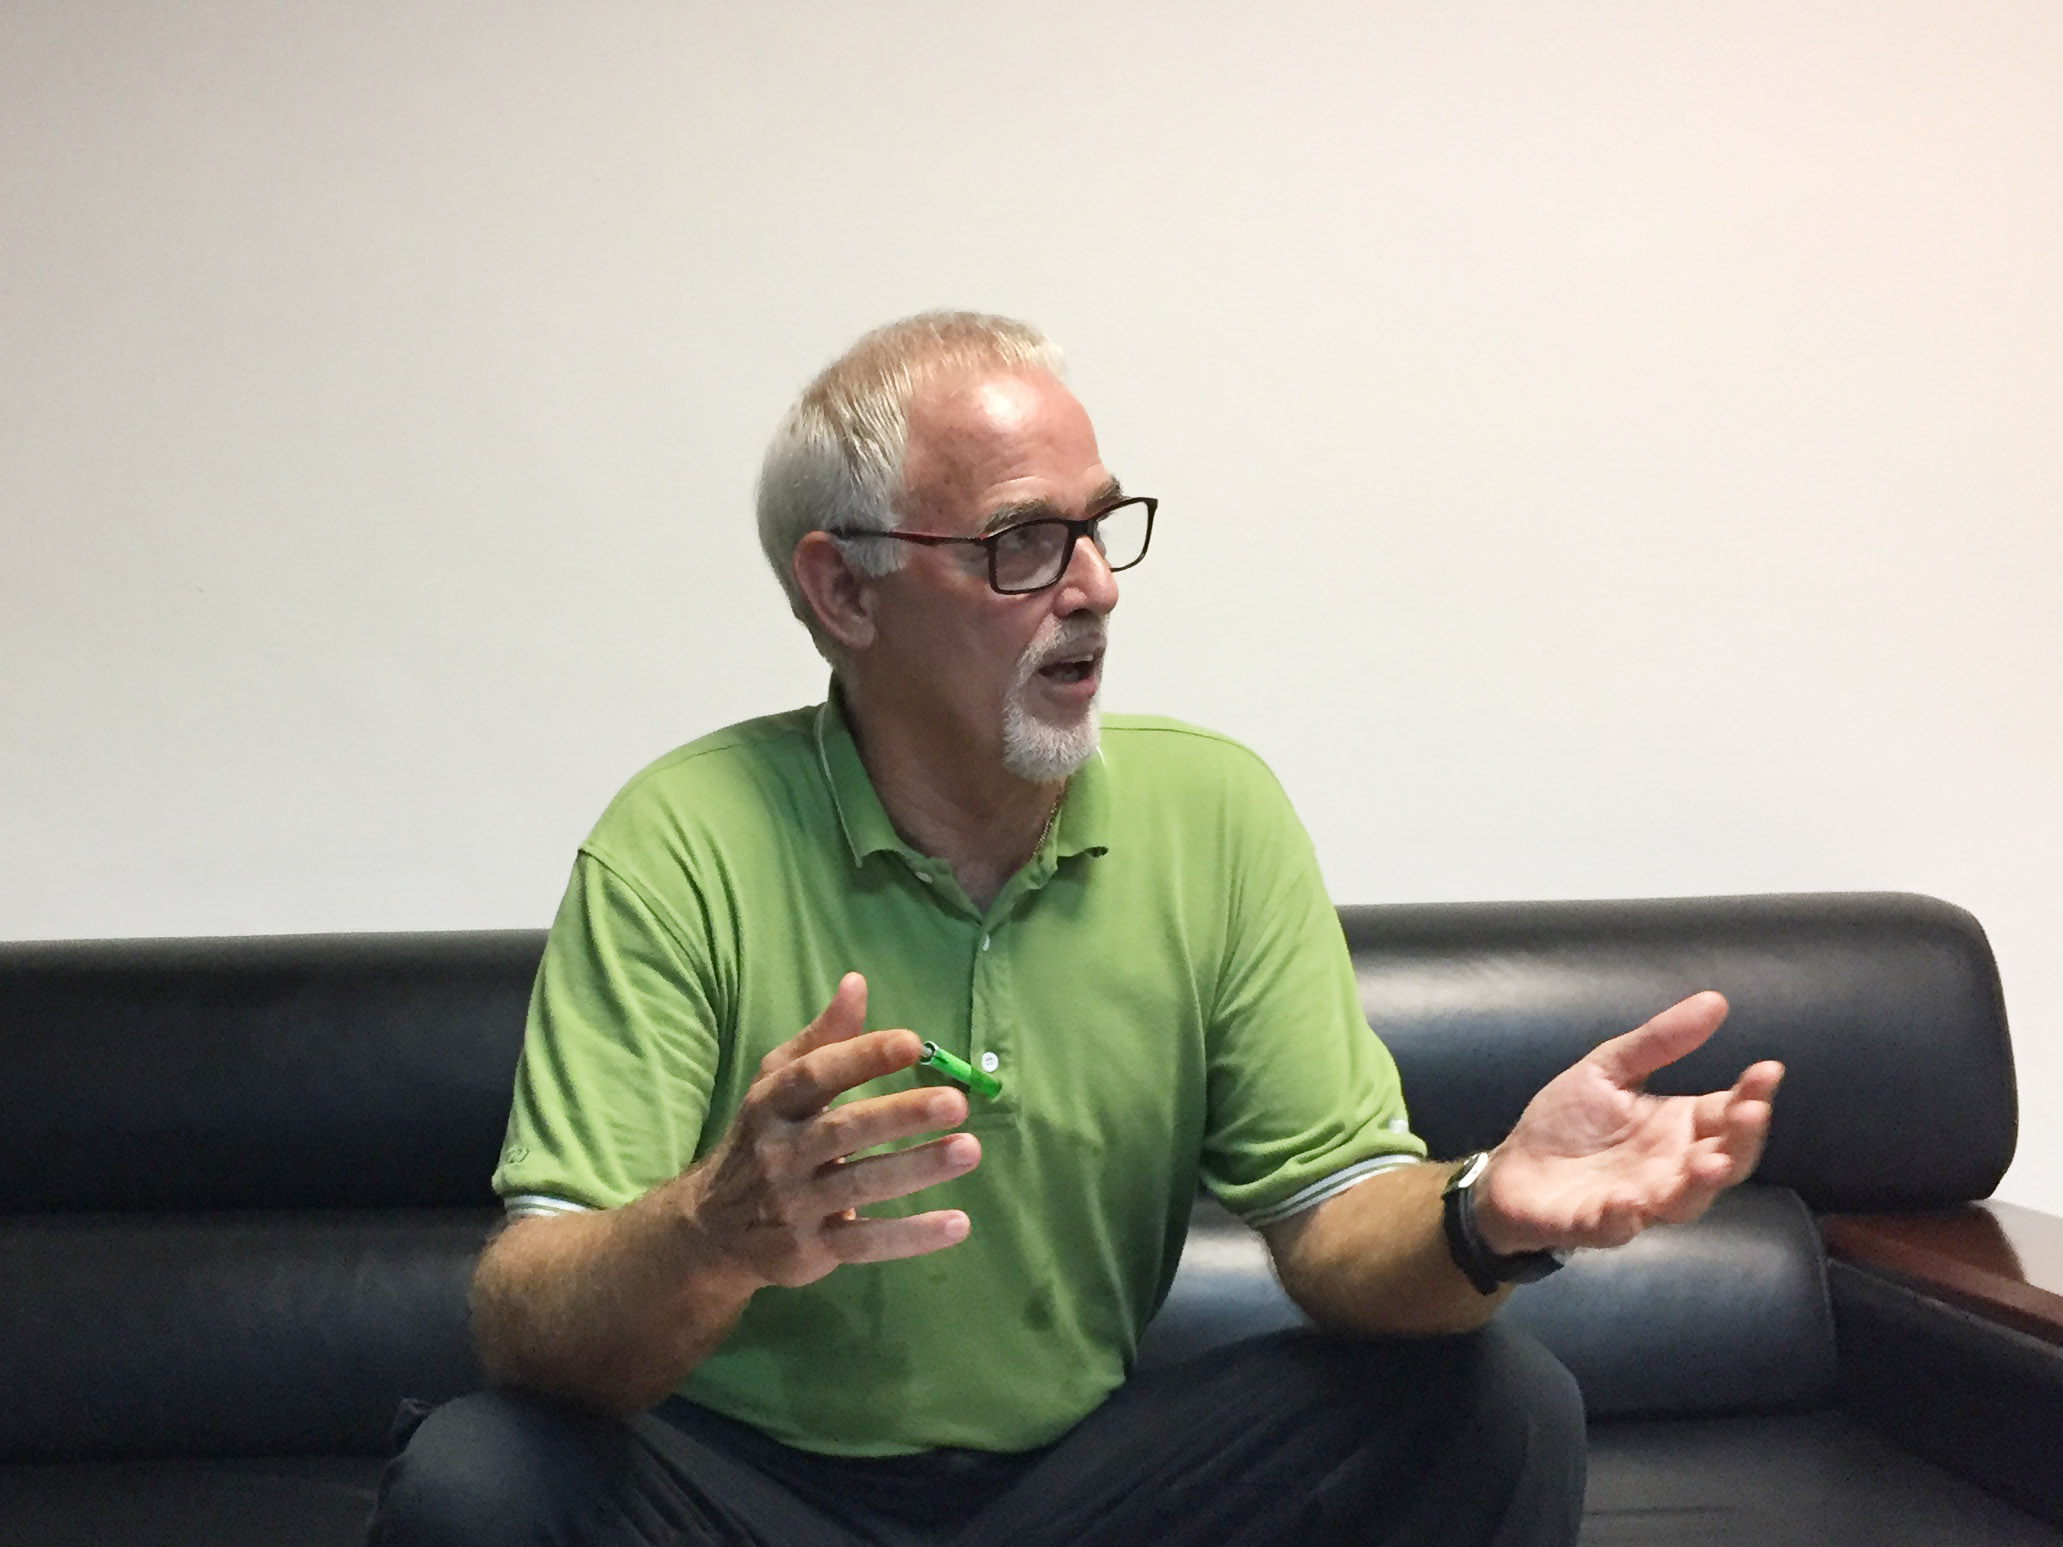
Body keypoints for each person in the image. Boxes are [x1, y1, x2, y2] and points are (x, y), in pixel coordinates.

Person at [368, 312, 1784, 1547]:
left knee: (1498, 1404)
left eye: (1100, 526)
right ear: (844, 589)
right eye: (1022, 543)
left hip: (1083, 1490)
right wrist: (709, 1232)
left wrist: (1483, 1215)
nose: (1095, 584)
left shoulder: (1215, 813)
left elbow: (1337, 1219)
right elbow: (529, 1315)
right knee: (479, 1479)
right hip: (743, 1493)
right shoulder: (680, 838)